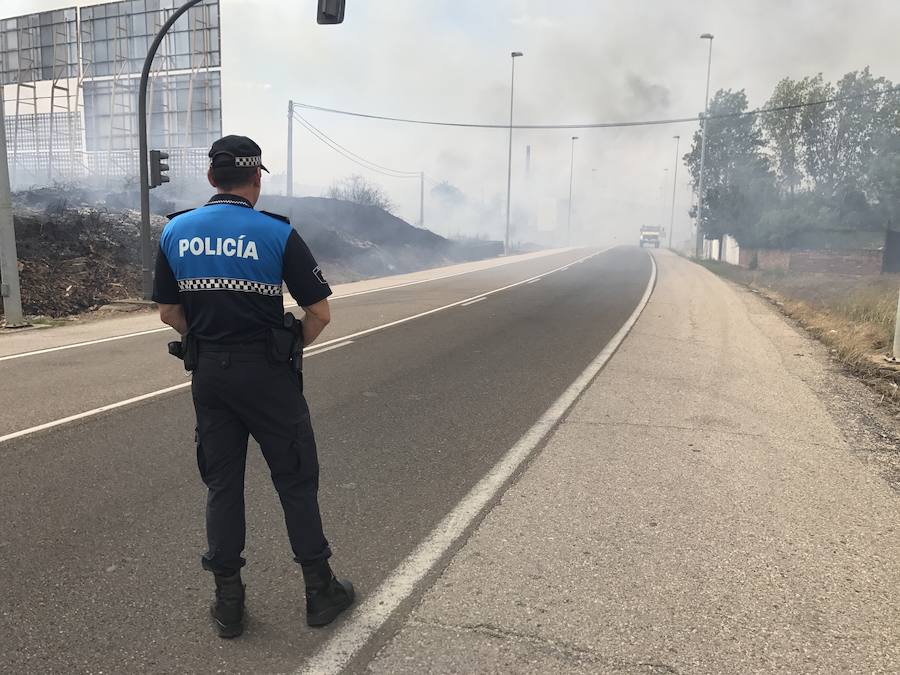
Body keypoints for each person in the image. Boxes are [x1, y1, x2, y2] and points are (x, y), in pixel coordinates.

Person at [152, 135, 354, 639]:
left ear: (210, 177)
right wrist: (288, 348)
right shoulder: (276, 234)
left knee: (223, 485)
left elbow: (169, 312)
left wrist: (206, 341)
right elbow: (320, 312)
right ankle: (319, 591)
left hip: (210, 378)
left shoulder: (176, 231)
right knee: (295, 480)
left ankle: (229, 604)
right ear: (256, 177)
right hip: (268, 377)